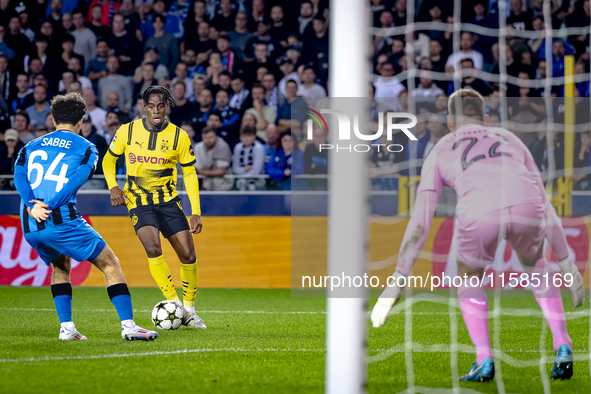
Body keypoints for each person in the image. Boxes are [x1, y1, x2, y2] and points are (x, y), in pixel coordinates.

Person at [370, 89, 585, 382]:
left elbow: (421, 219)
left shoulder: (442, 146)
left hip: (479, 210)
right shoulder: (511, 139)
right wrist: (567, 264)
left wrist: (399, 277)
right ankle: (563, 344)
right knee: (535, 262)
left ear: (449, 121)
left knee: (469, 276)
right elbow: (545, 204)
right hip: (527, 206)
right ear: (485, 118)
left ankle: (484, 360)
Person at [13, 92, 158, 342]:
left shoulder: (30, 146)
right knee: (110, 263)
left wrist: (30, 206)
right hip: (58, 219)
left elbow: (18, 174)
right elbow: (73, 182)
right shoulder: (87, 148)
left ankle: (67, 329)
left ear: (53, 119)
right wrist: (47, 206)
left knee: (60, 264)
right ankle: (129, 326)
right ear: (81, 120)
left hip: (29, 223)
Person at [102, 86, 206, 329]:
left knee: (188, 255)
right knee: (153, 247)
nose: (156, 110)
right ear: (144, 106)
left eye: (161, 105)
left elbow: (189, 173)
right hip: (138, 202)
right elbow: (108, 160)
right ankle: (174, 305)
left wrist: (196, 211)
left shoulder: (179, 136)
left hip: (169, 202)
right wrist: (112, 187)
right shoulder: (127, 131)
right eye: (151, 105)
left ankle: (189, 309)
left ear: (166, 106)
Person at [194, 126, 233, 191]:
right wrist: (213, 172)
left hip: (224, 186)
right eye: (205, 138)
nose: (208, 140)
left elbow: (221, 171)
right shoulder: (198, 147)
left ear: (216, 136)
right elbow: (199, 170)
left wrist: (203, 171)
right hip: (206, 185)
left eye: (210, 137)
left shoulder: (223, 146)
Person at [232, 125, 265, 190]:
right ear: (240, 137)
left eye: (249, 136)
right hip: (241, 181)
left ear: (254, 137)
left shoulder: (259, 148)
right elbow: (235, 168)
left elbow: (257, 170)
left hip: (257, 181)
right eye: (244, 136)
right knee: (241, 183)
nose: (246, 139)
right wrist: (245, 169)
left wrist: (242, 173)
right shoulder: (237, 147)